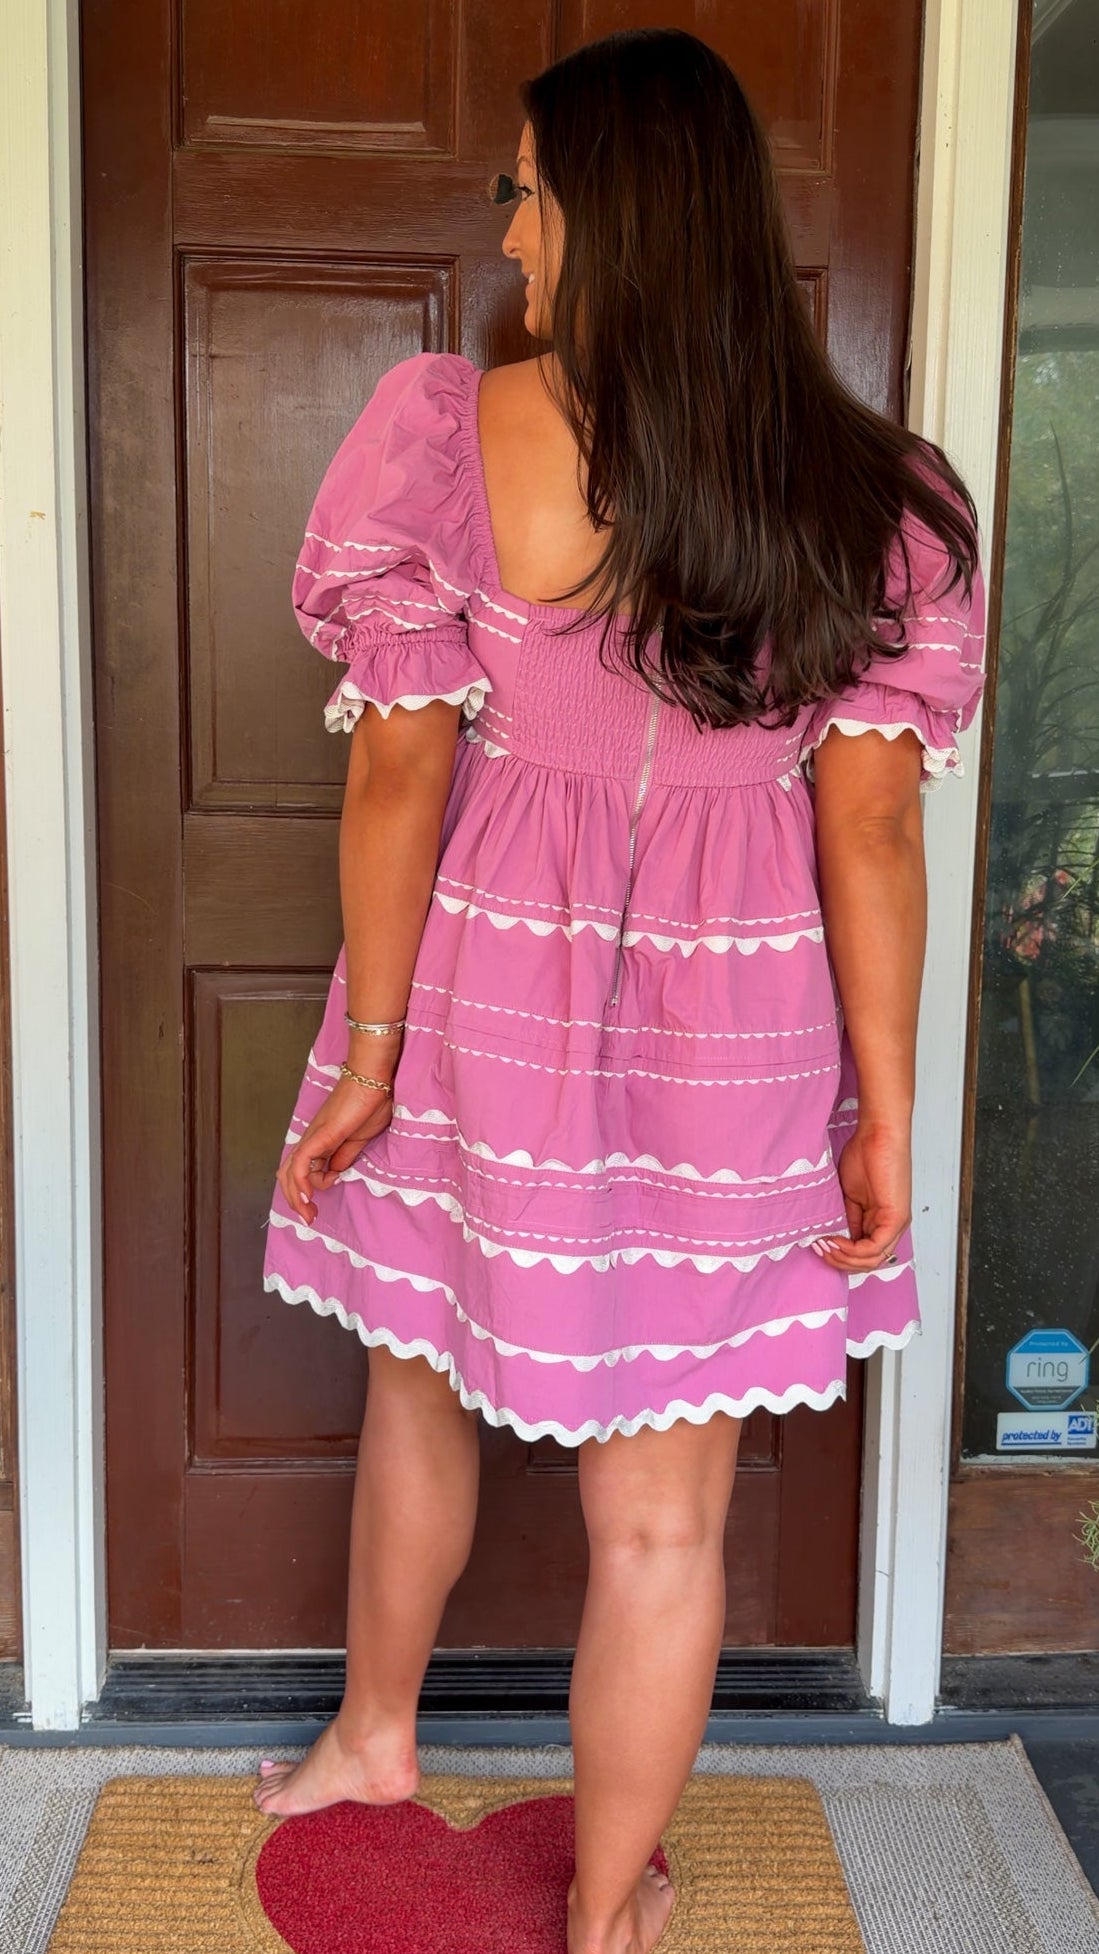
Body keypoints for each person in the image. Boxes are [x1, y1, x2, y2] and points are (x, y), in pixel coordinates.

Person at [255, 27, 986, 1954]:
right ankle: (599, 1912)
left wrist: (379, 1046)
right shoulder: (868, 493)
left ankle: (376, 1735)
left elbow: (403, 766)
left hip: (485, 987)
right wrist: (891, 1111)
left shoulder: (457, 432)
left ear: (607, 211)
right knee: (661, 1521)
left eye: (526, 188)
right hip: (740, 1038)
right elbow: (871, 842)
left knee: (419, 1370)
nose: (512, 233)